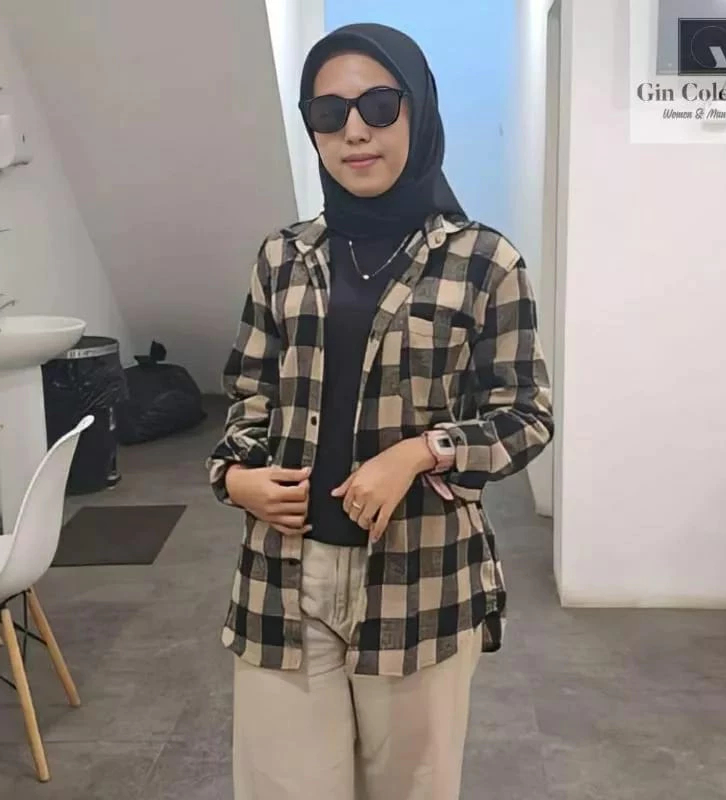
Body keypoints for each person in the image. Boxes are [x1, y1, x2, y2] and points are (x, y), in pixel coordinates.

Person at [206, 21, 554, 800]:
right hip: (283, 576)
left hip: (421, 576)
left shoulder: (484, 261)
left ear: (417, 112)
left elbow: (526, 414)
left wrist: (422, 451)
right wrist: (236, 477)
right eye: (329, 113)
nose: (355, 130)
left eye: (378, 105)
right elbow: (249, 393)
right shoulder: (283, 257)